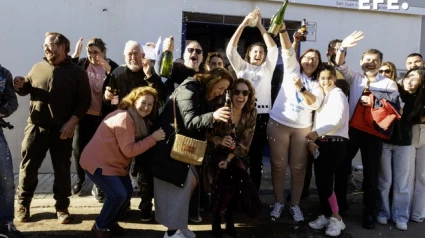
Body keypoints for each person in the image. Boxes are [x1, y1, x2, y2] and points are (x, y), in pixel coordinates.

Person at [13, 32, 91, 224]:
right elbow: (27, 89)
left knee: (62, 170)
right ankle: (23, 204)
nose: (46, 48)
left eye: (49, 45)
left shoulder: (77, 72)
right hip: (36, 127)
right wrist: (20, 85)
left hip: (62, 130)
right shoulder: (38, 67)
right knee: (28, 167)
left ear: (63, 47)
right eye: (44, 46)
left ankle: (62, 207)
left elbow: (84, 101)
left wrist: (72, 122)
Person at [152, 68, 233, 238]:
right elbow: (190, 122)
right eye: (220, 87)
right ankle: (172, 232)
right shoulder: (189, 89)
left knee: (188, 185)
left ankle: (180, 225)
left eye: (224, 90)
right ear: (213, 80)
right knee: (175, 187)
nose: (221, 92)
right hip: (171, 146)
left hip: (187, 147)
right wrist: (213, 116)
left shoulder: (202, 92)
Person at [80, 87, 165, 238]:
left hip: (115, 164)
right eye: (143, 102)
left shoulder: (139, 119)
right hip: (98, 162)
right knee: (117, 195)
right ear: (133, 101)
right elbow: (129, 151)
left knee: (127, 193)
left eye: (150, 104)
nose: (146, 107)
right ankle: (100, 226)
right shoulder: (125, 118)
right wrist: (153, 138)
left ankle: (110, 221)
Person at [335, 31, 399, 229]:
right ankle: (339, 206)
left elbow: (395, 107)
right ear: (361, 61)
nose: (370, 63)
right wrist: (343, 46)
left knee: (371, 174)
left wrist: (373, 101)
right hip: (352, 130)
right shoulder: (355, 77)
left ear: (380, 64)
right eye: (367, 59)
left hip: (373, 133)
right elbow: (339, 63)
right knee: (342, 168)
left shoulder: (388, 83)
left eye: (375, 60)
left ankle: (369, 212)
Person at [102, 40, 166, 220]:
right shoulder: (117, 73)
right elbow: (110, 100)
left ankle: (146, 207)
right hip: (123, 130)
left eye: (136, 53)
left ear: (143, 55)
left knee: (146, 172)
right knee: (122, 170)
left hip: (147, 130)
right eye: (129, 53)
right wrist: (106, 97)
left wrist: (151, 76)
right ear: (124, 56)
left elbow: (162, 94)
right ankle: (123, 206)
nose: (133, 57)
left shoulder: (149, 73)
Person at [267, 22, 324, 223]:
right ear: (302, 59)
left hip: (303, 129)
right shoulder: (293, 68)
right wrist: (283, 30)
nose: (310, 61)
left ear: (319, 63)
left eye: (315, 59)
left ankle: (295, 205)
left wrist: (301, 88)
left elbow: (315, 103)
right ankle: (279, 202)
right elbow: (287, 50)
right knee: (278, 165)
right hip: (278, 123)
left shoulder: (319, 82)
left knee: (299, 167)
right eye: (308, 57)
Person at [226, 8, 278, 191]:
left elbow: (273, 48)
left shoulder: (268, 69)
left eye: (261, 52)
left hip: (262, 116)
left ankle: (252, 194)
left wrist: (261, 26)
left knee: (256, 158)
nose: (259, 54)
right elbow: (230, 49)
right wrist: (243, 23)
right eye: (255, 51)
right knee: (237, 153)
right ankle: (234, 191)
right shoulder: (241, 67)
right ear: (249, 53)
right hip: (241, 115)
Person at [206, 78, 259, 238]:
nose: (240, 96)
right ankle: (217, 219)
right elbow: (204, 131)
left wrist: (228, 159)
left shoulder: (251, 112)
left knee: (234, 176)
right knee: (224, 178)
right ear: (230, 93)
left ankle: (228, 218)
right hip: (214, 151)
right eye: (237, 92)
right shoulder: (220, 108)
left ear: (249, 95)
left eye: (245, 93)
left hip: (236, 154)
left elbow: (245, 142)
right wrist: (219, 140)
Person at [69, 37, 119, 196]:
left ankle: (98, 183)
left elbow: (120, 83)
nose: (92, 55)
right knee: (78, 150)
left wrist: (109, 70)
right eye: (89, 52)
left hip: (103, 117)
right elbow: (69, 70)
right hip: (83, 116)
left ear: (103, 52)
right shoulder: (83, 64)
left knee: (101, 152)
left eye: (96, 52)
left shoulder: (112, 66)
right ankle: (80, 179)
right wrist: (76, 54)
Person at [377, 67, 425, 231]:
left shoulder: (419, 100)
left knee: (402, 183)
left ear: (420, 84)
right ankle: (383, 212)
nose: (410, 80)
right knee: (385, 181)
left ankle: (400, 216)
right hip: (385, 140)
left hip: (404, 143)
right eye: (409, 76)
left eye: (416, 78)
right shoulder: (393, 90)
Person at [306, 64, 349, 237]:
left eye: (329, 78)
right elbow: (321, 119)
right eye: (322, 78)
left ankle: (337, 218)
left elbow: (337, 120)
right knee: (321, 183)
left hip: (334, 143)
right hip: (323, 143)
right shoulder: (325, 95)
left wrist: (316, 133)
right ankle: (326, 214)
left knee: (325, 183)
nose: (325, 81)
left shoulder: (337, 94)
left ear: (335, 79)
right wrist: (314, 139)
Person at [0, 65, 24, 237]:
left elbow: (12, 101)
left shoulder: (4, 73)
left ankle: (5, 222)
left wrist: (3, 111)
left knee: (7, 179)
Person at [408, 68, 425, 223]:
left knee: (422, 176)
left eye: (415, 77)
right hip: (412, 133)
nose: (410, 80)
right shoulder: (408, 94)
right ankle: (404, 212)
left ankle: (418, 213)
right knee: (409, 175)